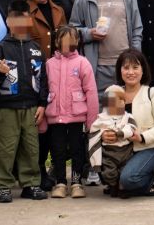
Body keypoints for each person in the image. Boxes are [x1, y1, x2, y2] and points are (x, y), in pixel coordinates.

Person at [0, 0, 48, 203]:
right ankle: (3, 185)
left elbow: (44, 79)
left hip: (31, 106)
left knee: (31, 147)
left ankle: (31, 183)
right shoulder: (0, 49)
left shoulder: (36, 48)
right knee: (4, 148)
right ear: (8, 21)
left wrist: (42, 104)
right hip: (7, 107)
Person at [70, 0, 143, 97]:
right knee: (101, 111)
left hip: (125, 65)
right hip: (98, 66)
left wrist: (135, 57)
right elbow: (72, 30)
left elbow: (137, 30)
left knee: (125, 109)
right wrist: (89, 33)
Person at [24, 0, 69, 191]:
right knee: (37, 126)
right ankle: (38, 169)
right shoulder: (23, 12)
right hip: (33, 76)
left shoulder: (59, 10)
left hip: (58, 76)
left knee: (55, 125)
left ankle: (54, 169)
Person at [42, 25, 97, 199]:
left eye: (71, 40)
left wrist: (91, 120)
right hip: (54, 116)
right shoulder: (49, 64)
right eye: (63, 40)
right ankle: (59, 181)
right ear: (57, 41)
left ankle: (76, 182)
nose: (67, 44)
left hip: (76, 115)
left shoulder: (82, 62)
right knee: (57, 149)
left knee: (77, 149)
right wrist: (43, 119)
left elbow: (91, 91)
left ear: (77, 42)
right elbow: (43, 91)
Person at [111, 49, 154, 197]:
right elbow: (108, 122)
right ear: (120, 71)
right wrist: (108, 134)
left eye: (135, 67)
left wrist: (141, 137)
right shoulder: (114, 93)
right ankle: (124, 185)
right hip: (123, 150)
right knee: (107, 177)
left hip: (151, 148)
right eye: (126, 68)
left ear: (143, 70)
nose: (130, 72)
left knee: (128, 179)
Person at [88, 85, 137, 197]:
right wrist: (101, 134)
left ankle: (122, 187)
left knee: (125, 170)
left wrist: (120, 133)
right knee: (109, 172)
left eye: (121, 100)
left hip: (126, 151)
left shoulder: (128, 117)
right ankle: (112, 185)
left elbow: (131, 127)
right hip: (108, 152)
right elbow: (93, 132)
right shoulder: (101, 119)